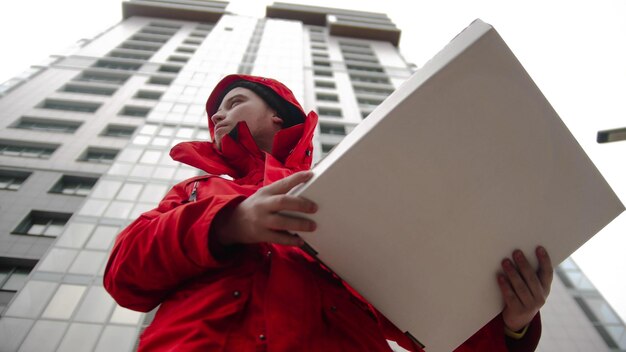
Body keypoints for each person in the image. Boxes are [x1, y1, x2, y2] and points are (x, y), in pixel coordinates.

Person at [104, 74, 553, 351]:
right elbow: (124, 272)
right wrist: (231, 221)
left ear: (279, 117)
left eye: (234, 103)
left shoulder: (349, 197)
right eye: (213, 115)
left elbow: (428, 325)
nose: (218, 118)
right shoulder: (196, 191)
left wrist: (512, 329)